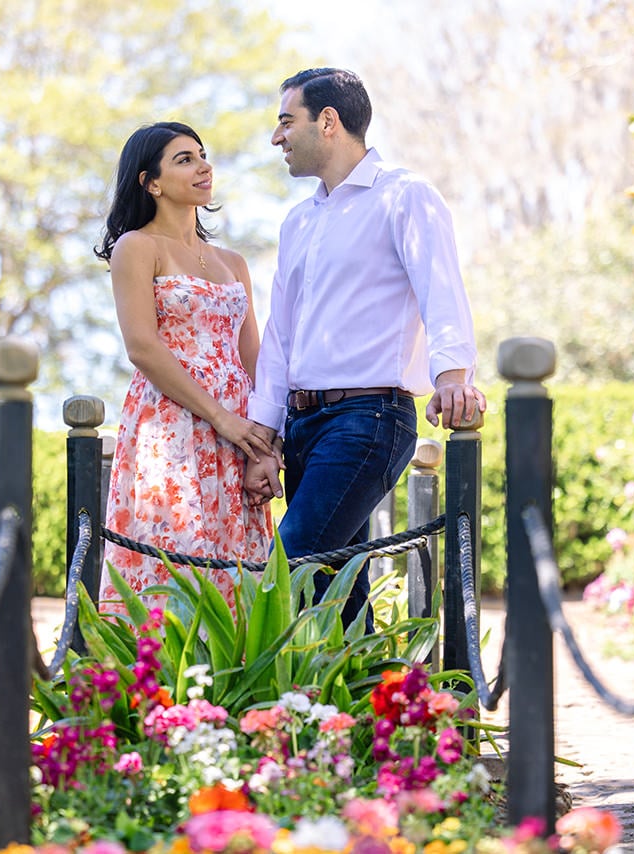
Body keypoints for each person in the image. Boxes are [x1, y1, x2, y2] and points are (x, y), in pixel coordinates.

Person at [245, 68, 486, 630]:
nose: (276, 137)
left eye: (286, 121)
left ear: (327, 122)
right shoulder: (297, 221)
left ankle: (229, 713)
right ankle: (383, 710)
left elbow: (440, 288)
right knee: (336, 594)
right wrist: (265, 436)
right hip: (302, 425)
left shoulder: (405, 196)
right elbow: (282, 333)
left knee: (289, 571)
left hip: (368, 418)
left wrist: (452, 375)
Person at [95, 121, 275, 615]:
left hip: (239, 434)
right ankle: (154, 686)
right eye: (184, 159)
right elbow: (143, 348)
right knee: (173, 561)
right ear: (150, 182)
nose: (203, 166)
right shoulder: (138, 247)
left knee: (239, 573)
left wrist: (265, 444)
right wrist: (221, 418)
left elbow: (254, 357)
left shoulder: (233, 262)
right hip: (171, 428)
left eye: (202, 155)